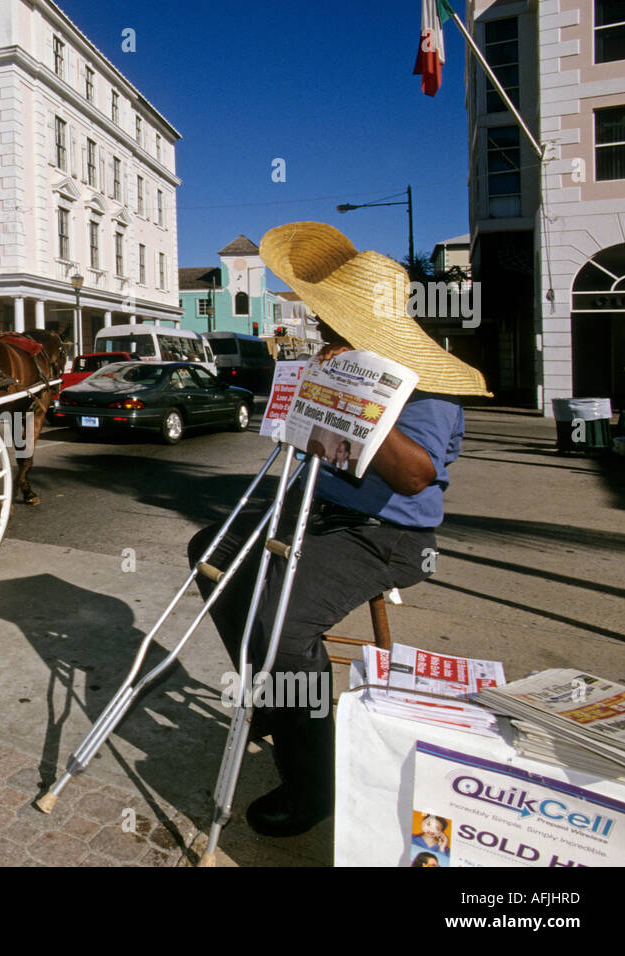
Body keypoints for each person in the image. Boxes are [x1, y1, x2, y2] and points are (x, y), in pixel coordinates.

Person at [188, 221, 490, 839]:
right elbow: (303, 443)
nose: (320, 331)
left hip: (384, 533)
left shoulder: (426, 385)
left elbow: (413, 477)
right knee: (209, 551)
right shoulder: (334, 357)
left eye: (330, 324)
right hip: (315, 511)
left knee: (282, 618)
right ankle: (279, 700)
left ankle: (313, 774)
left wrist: (359, 399)